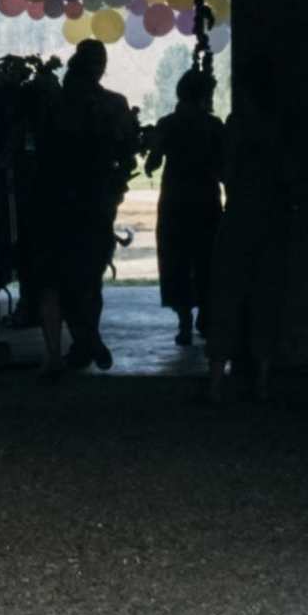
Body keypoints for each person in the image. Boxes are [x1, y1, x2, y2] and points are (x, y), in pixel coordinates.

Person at [31, 38, 135, 374]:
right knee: (89, 277)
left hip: (52, 200)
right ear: (100, 67)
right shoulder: (114, 105)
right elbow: (126, 150)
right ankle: (87, 337)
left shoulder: (51, 103)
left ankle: (61, 351)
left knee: (53, 278)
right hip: (96, 201)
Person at [141, 64, 225, 347]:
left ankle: (184, 322)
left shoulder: (167, 124)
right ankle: (206, 315)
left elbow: (151, 164)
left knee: (176, 260)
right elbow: (224, 169)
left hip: (175, 202)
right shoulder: (214, 127)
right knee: (207, 260)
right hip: (206, 202)